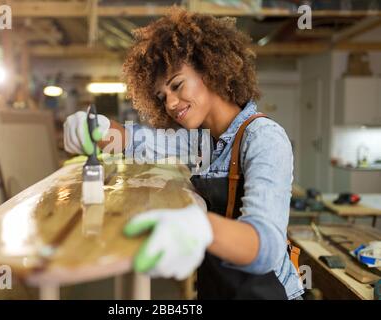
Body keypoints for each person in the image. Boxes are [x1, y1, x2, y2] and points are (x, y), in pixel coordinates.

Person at [64, 8, 304, 300]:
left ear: (211, 71)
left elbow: (265, 246)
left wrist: (203, 227)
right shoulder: (200, 141)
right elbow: (137, 142)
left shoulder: (264, 137)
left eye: (177, 85)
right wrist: (94, 127)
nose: (171, 103)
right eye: (162, 97)